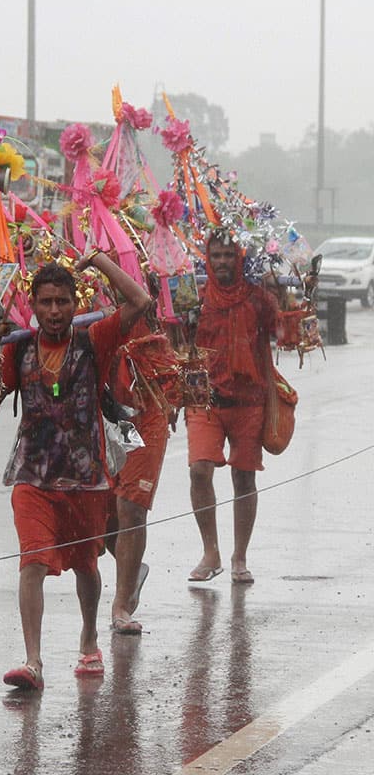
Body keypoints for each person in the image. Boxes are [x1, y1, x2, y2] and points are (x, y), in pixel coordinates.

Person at [0, 253, 153, 690]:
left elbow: (139, 300)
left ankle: (88, 638)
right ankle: (33, 660)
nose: (53, 311)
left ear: (74, 303)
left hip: (86, 480)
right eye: (45, 302)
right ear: (32, 305)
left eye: (62, 302)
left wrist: (101, 262)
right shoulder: (19, 346)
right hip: (32, 477)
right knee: (32, 563)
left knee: (86, 566)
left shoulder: (94, 340)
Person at [186, 229, 278, 585]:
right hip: (204, 398)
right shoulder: (193, 297)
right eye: (216, 255)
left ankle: (240, 556)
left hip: (249, 400)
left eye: (228, 255)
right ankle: (211, 552)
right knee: (199, 471)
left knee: (244, 477)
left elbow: (283, 331)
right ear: (207, 259)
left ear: (240, 258)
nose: (222, 262)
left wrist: (284, 300)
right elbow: (177, 339)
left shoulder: (258, 298)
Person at [103, 316, 172, 634]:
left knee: (130, 507)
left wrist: (101, 262)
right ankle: (130, 569)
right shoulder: (80, 287)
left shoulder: (141, 280)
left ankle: (122, 602)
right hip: (102, 409)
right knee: (101, 516)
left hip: (147, 410)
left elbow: (141, 303)